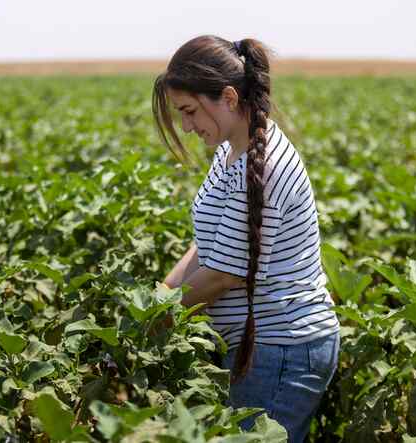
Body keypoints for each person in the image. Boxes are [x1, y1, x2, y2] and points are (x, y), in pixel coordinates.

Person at [152, 35, 340, 443]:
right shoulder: (232, 151)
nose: (186, 126)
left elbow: (223, 274)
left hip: (282, 352)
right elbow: (212, 244)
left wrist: (152, 321)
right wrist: (164, 291)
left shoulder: (265, 164)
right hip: (261, 350)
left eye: (189, 111)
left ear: (230, 97)